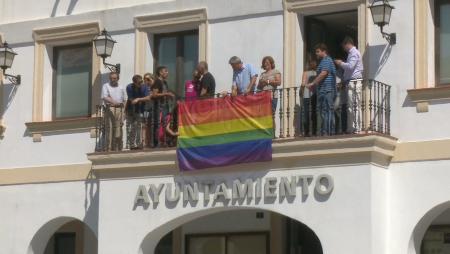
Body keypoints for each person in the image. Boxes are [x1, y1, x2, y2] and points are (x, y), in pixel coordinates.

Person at [334, 36, 364, 134]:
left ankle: (357, 128)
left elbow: (350, 67)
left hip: (354, 82)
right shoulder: (352, 53)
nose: (343, 49)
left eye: (343, 46)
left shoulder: (354, 53)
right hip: (351, 82)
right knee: (351, 106)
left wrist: (340, 63)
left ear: (347, 44)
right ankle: (352, 127)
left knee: (355, 105)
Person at [307, 43, 337, 136]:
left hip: (328, 89)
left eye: (318, 51)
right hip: (323, 90)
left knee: (328, 110)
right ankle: (325, 131)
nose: (316, 54)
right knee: (324, 110)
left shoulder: (327, 60)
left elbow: (324, 73)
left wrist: (313, 82)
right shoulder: (323, 61)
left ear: (324, 51)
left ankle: (328, 132)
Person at [101, 72, 126, 151]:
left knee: (119, 128)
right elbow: (105, 97)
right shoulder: (106, 86)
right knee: (110, 128)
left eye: (114, 78)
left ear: (118, 79)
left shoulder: (121, 87)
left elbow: (125, 99)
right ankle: (109, 148)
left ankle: (118, 147)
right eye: (111, 78)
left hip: (120, 109)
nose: (112, 80)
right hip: (110, 108)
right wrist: (114, 102)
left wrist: (124, 110)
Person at [151, 66, 175, 147]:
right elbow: (154, 94)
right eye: (165, 71)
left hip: (165, 105)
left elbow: (164, 93)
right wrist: (166, 94)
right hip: (158, 106)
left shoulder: (164, 82)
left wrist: (169, 96)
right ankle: (156, 143)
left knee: (164, 124)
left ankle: (163, 142)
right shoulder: (157, 81)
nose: (167, 73)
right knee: (157, 124)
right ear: (160, 72)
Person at [126, 74, 149, 149]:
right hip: (131, 109)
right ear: (134, 83)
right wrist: (134, 101)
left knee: (140, 126)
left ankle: (139, 143)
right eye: (139, 83)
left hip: (142, 109)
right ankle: (131, 144)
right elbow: (131, 99)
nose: (141, 84)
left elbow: (148, 98)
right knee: (132, 127)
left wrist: (138, 99)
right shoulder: (129, 87)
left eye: (141, 81)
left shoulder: (144, 86)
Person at [300, 58, 318, 137]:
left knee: (306, 113)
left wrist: (301, 91)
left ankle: (307, 132)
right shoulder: (317, 73)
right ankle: (314, 131)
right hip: (315, 94)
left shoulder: (306, 73)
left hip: (306, 95)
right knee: (314, 112)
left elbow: (303, 84)